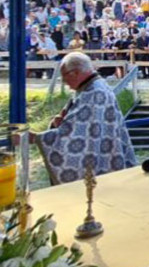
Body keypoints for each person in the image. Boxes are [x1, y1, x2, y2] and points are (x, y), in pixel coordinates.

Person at [36, 52, 137, 185]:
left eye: (64, 75)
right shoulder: (93, 86)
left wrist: (37, 137)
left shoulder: (93, 93)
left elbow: (75, 134)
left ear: (76, 72)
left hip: (102, 160)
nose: (64, 81)